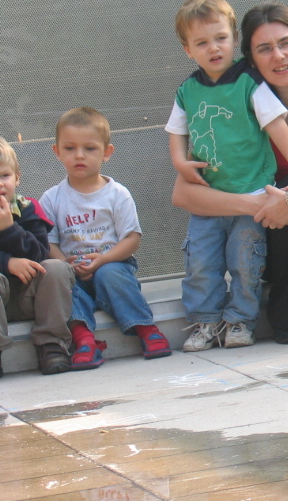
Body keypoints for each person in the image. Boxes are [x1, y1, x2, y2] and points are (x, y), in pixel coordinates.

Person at [172, 2, 288, 343]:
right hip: (267, 246)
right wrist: (260, 205)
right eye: (264, 49)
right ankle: (287, 322)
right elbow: (184, 193)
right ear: (249, 59)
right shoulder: (234, 107)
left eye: (286, 43)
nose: (278, 56)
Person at [41, 107, 172, 369]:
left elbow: (132, 239)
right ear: (57, 152)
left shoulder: (117, 194)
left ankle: (146, 329)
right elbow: (49, 243)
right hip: (73, 270)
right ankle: (85, 341)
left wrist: (103, 260)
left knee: (111, 275)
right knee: (63, 288)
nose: (79, 155)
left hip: (112, 264)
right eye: (70, 148)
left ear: (107, 152)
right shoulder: (51, 198)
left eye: (89, 148)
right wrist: (66, 266)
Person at [0, 137, 76, 376]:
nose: (0, 183)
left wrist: (9, 228)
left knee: (56, 267)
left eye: (4, 175)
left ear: (17, 177)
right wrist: (7, 262)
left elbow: (40, 252)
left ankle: (51, 344)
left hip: (28, 297)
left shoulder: (28, 208)